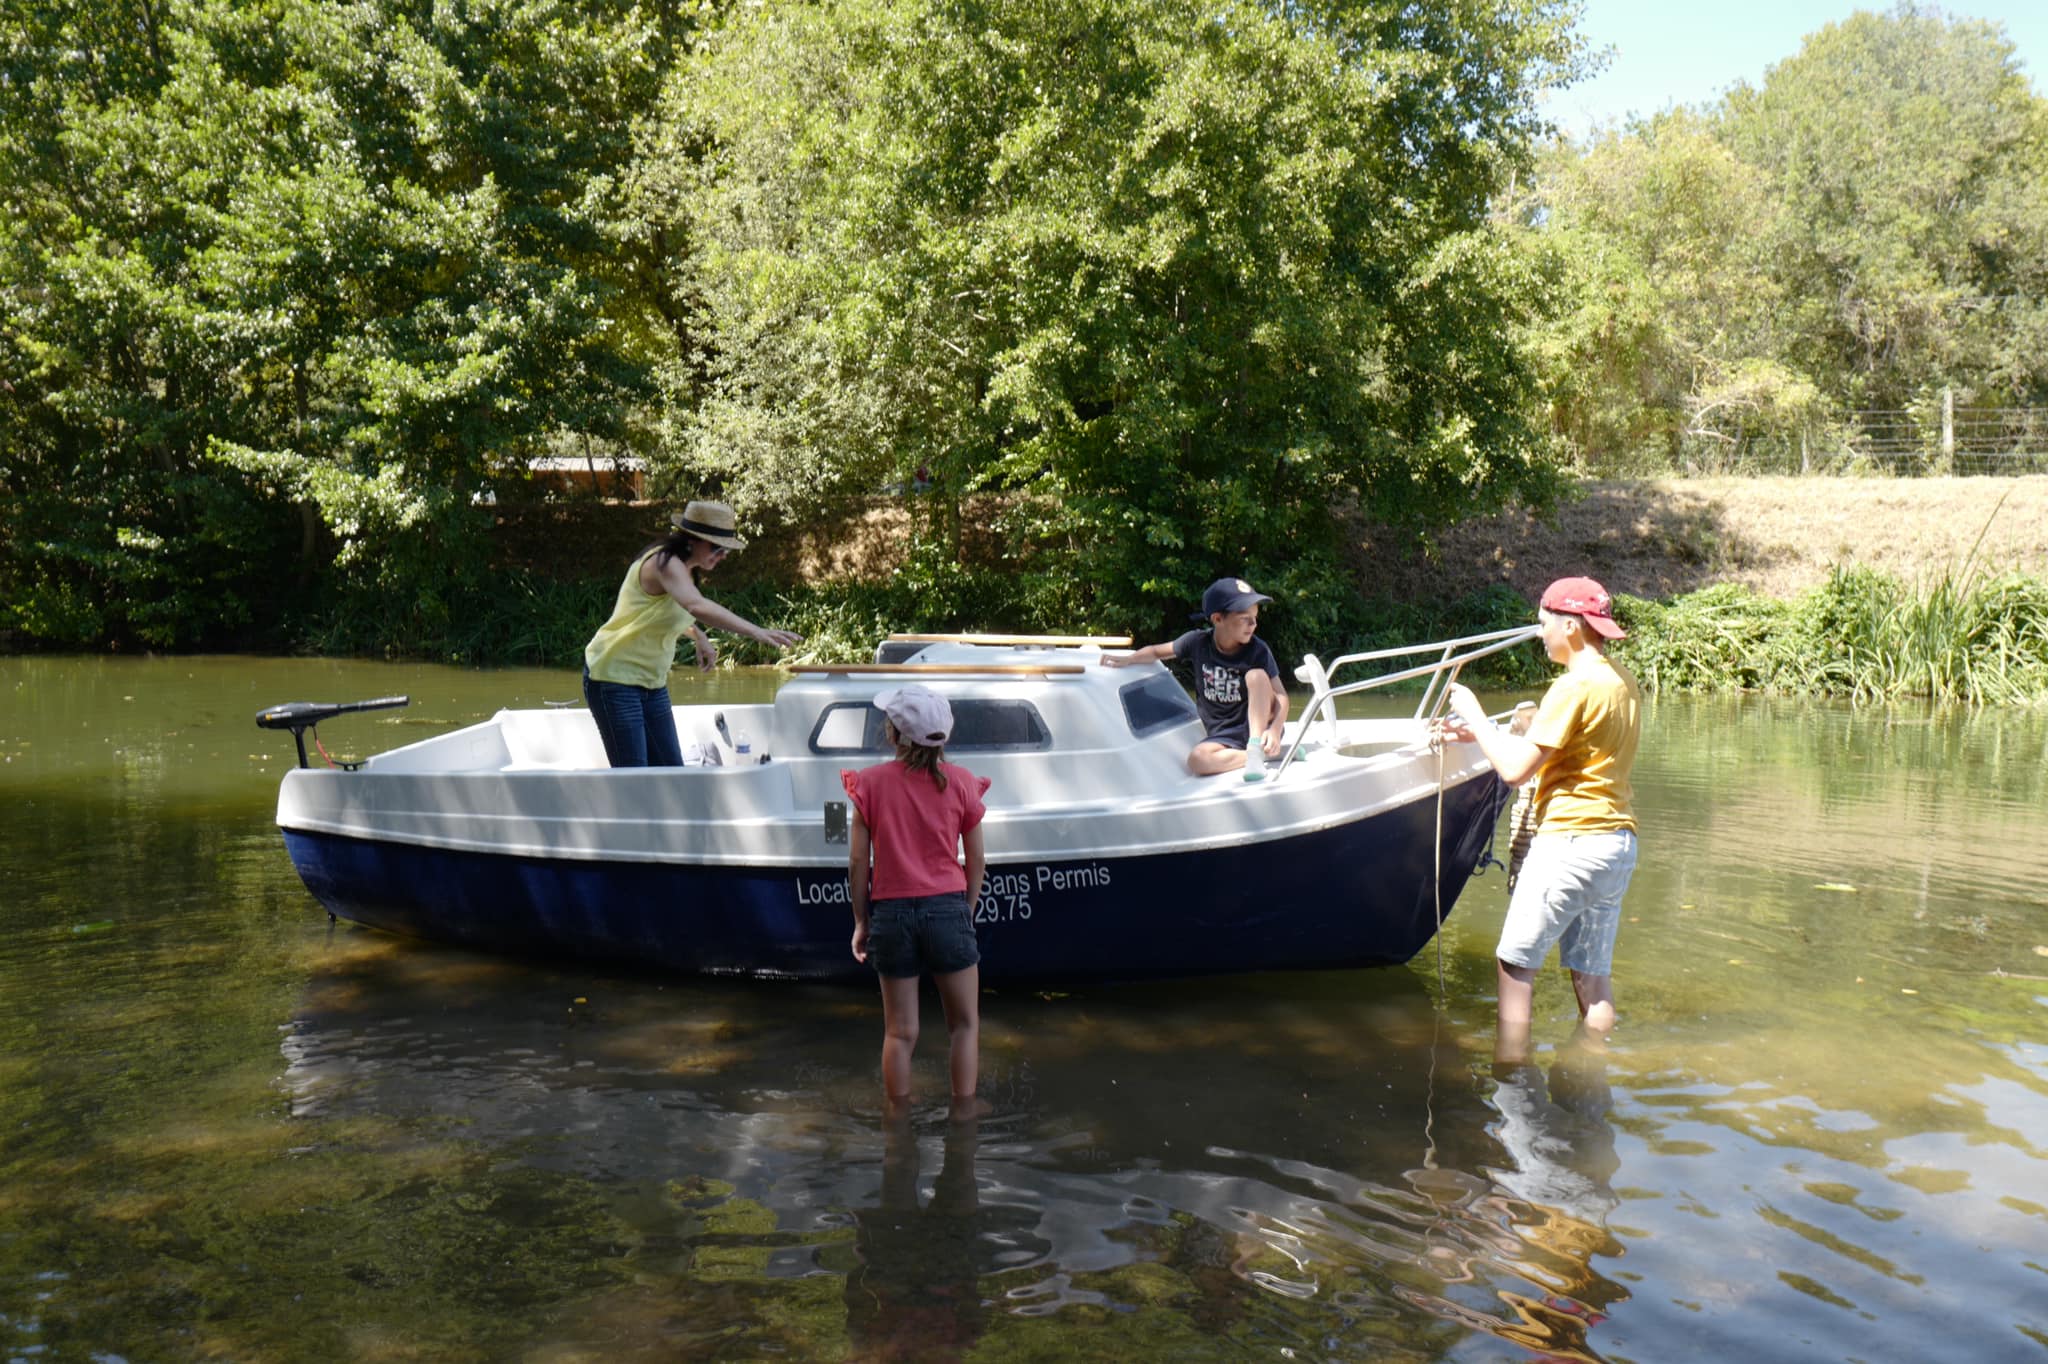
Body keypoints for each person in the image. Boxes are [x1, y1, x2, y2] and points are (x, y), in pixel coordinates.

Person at [1441, 577, 1642, 1058]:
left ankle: (1512, 1084)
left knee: (1514, 967)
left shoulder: (1572, 686)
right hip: (1615, 846)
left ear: (1571, 626)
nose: (1539, 632)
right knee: (1592, 980)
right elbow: (1565, 751)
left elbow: (1513, 771)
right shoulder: (1620, 680)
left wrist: (1471, 712)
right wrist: (1482, 734)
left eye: (1544, 621)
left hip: (1570, 844)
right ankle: (1591, 1087)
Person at [843, 685, 989, 1106]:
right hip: (948, 909)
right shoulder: (962, 783)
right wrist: (967, 911)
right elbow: (975, 860)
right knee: (963, 1026)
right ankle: (964, 1124)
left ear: (893, 734)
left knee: (899, 1033)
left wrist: (860, 921)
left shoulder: (869, 785)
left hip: (891, 915)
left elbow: (858, 864)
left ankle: (898, 1130)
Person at [581, 499, 802, 768]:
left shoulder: (684, 569)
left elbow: (667, 612)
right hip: (613, 678)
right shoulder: (665, 563)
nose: (721, 556)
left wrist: (699, 636)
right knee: (634, 776)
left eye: (726, 551)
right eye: (717, 548)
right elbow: (696, 605)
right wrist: (756, 631)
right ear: (693, 540)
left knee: (672, 770)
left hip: (651, 682)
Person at [1100, 576, 1288, 776]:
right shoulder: (1197, 642)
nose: (1253, 624)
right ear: (1217, 619)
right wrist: (1129, 659)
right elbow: (1156, 651)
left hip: (1259, 727)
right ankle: (1261, 755)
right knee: (1197, 761)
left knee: (1257, 676)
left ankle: (1257, 745)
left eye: (1255, 617)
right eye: (1244, 618)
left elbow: (1282, 696)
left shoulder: (1258, 650)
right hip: (1224, 733)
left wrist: (1275, 729)